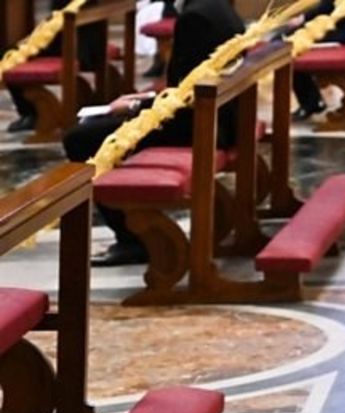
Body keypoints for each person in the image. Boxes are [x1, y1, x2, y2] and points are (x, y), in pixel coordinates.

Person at [61, 0, 244, 266]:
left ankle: (133, 240)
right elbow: (187, 89)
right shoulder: (217, 7)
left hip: (199, 126)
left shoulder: (195, 18)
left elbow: (184, 102)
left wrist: (136, 106)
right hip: (217, 117)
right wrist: (146, 99)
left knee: (79, 139)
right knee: (95, 128)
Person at [6, 0, 105, 133]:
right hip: (70, 36)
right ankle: (30, 112)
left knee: (10, 57)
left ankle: (32, 114)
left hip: (75, 42)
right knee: (11, 53)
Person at [289, 0, 345, 120]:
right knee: (282, 39)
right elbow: (328, 4)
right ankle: (312, 101)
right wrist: (303, 18)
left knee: (292, 47)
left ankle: (310, 102)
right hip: (334, 25)